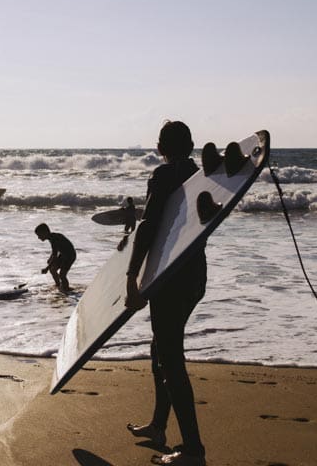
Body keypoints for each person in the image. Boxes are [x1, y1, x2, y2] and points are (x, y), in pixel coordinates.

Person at [124, 120, 206, 466]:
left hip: (167, 279)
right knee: (160, 349)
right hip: (194, 275)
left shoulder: (162, 176)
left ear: (161, 147)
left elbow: (148, 226)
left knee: (170, 359)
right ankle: (159, 427)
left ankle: (192, 451)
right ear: (190, 145)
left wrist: (132, 276)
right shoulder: (202, 175)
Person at [35, 223, 76, 292]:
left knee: (62, 275)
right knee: (53, 269)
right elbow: (55, 251)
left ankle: (67, 289)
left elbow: (55, 256)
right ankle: (58, 285)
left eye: (39, 235)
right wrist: (50, 260)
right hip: (63, 255)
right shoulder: (52, 237)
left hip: (70, 256)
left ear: (45, 233)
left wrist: (47, 268)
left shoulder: (54, 238)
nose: (38, 237)